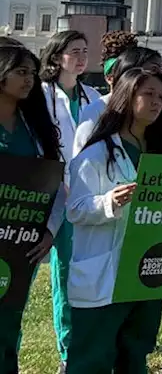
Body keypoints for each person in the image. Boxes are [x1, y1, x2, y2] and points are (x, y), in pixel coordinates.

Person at [66, 69, 162, 373]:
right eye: (148, 94)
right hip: (104, 271)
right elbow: (75, 210)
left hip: (146, 270)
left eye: (161, 96)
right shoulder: (96, 154)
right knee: (92, 356)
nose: (156, 102)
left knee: (136, 351)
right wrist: (109, 202)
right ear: (127, 97)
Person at [39, 29, 102, 368]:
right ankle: (63, 348)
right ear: (56, 56)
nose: (81, 57)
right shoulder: (40, 95)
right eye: (74, 51)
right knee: (51, 274)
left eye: (84, 51)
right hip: (50, 195)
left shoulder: (93, 97)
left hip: (83, 195)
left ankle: (76, 345)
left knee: (76, 271)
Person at [0, 43, 64, 372]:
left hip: (20, 245)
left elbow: (55, 184)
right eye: (21, 72)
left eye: (32, 74)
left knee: (10, 323)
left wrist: (50, 232)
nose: (29, 80)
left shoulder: (35, 128)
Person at [73, 45, 162, 156]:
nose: (160, 74)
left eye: (161, 69)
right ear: (132, 72)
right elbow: (83, 160)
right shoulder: (99, 108)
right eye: (154, 68)